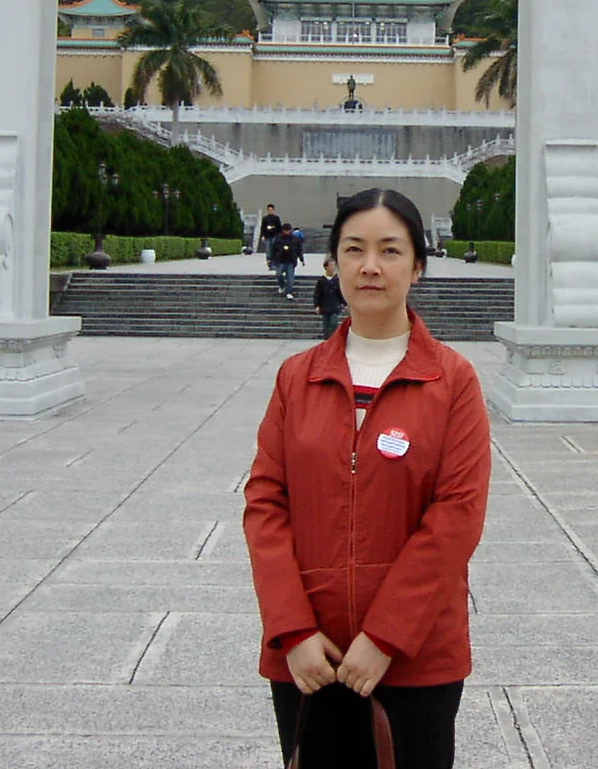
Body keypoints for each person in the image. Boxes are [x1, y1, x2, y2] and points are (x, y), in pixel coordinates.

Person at [244, 188, 491, 769]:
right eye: (353, 249)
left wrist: (384, 638)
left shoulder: (451, 381)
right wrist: (292, 630)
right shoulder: (296, 378)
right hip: (311, 657)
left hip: (415, 655)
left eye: (390, 250)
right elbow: (264, 505)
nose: (370, 266)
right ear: (334, 264)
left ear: (418, 267)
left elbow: (456, 516)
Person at [312, 256, 345, 340]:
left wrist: (344, 303)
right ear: (326, 267)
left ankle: (334, 339)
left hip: (335, 305)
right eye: (331, 265)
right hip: (325, 306)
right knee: (326, 325)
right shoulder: (321, 280)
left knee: (334, 323)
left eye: (334, 265)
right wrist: (317, 305)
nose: (333, 267)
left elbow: (341, 293)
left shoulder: (337, 279)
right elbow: (317, 294)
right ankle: (327, 340)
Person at [273, 222, 304, 299]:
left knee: (290, 278)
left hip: (291, 261)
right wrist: (271, 259)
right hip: (280, 260)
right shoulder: (278, 238)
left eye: (288, 230)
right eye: (285, 230)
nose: (287, 232)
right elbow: (273, 249)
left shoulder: (295, 239)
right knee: (278, 274)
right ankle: (282, 285)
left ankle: (289, 292)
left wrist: (301, 259)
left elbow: (299, 250)